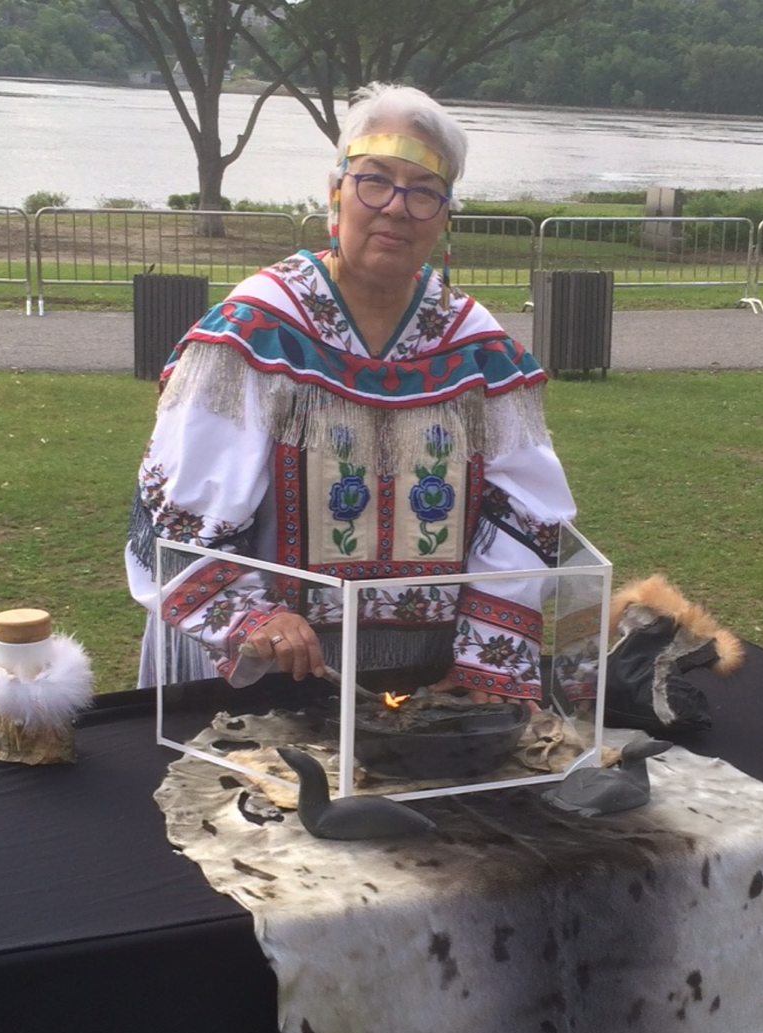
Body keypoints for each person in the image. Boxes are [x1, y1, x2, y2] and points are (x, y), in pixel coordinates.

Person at [126, 82, 576, 703]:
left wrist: (485, 659)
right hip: (263, 668)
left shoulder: (478, 349)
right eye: (375, 180)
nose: (396, 206)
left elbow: (527, 511)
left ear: (445, 218)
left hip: (426, 674)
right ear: (336, 191)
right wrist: (251, 620)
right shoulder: (256, 330)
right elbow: (179, 509)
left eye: (424, 192)